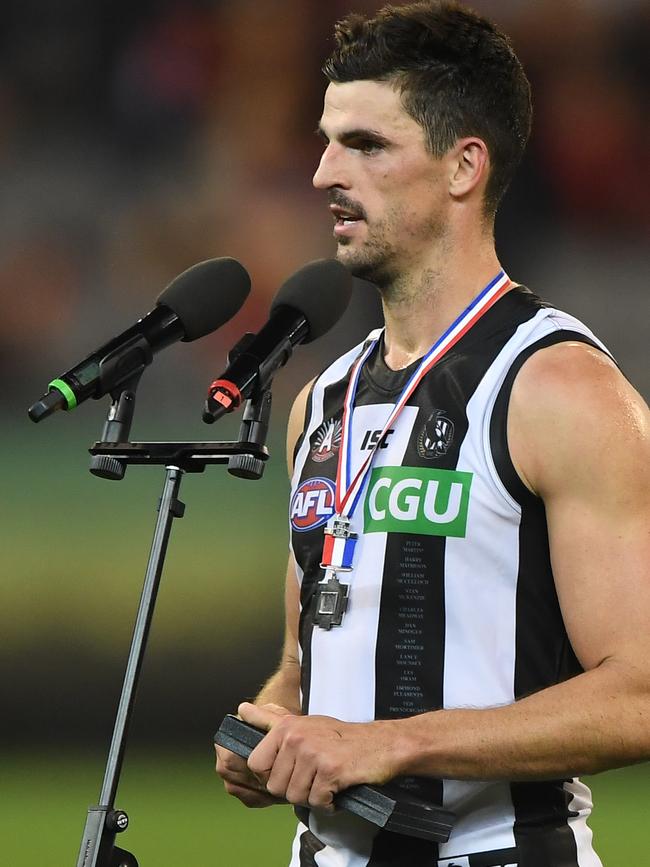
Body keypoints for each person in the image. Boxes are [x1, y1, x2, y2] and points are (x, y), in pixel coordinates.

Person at [215, 3, 650, 865]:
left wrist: (395, 743)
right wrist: (275, 725)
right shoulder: (324, 401)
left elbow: (639, 694)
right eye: (327, 139)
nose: (323, 173)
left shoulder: (558, 387)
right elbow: (306, 665)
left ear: (464, 166)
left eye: (367, 145)